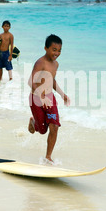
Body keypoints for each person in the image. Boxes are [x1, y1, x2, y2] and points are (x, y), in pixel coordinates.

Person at [28, 34, 70, 163]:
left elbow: (52, 81)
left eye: (59, 50)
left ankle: (48, 157)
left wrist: (62, 94)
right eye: (54, 49)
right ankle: (34, 122)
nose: (57, 53)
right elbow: (31, 82)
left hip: (50, 99)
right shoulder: (40, 62)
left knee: (54, 126)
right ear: (45, 48)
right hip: (36, 99)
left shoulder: (56, 64)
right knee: (42, 131)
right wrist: (41, 96)